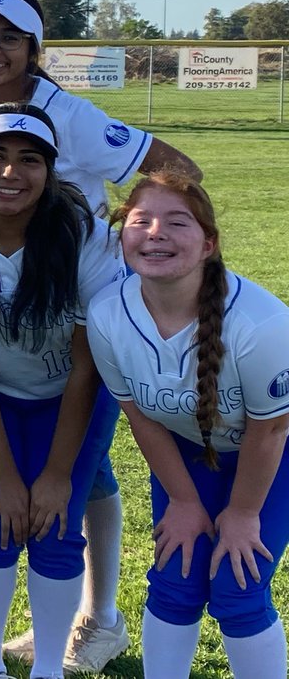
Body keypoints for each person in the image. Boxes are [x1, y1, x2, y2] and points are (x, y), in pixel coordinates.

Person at [0, 0, 200, 673]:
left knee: (64, 497)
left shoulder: (70, 121)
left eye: (9, 36)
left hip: (67, 322)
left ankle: (93, 619)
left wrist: (147, 233)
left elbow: (179, 169)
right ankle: (69, 625)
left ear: (36, 48)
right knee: (24, 505)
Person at [0, 103, 125, 679]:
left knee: (55, 524)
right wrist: (5, 476)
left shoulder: (88, 238)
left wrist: (58, 475)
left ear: (51, 171)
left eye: (29, 160)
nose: (10, 173)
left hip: (73, 390)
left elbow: (87, 369)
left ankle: (48, 669)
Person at [87, 172, 289, 679]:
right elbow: (139, 415)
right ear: (122, 236)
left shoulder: (261, 324)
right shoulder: (108, 314)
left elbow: (270, 431)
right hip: (190, 456)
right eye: (141, 221)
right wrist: (184, 500)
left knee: (239, 586)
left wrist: (242, 515)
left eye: (177, 222)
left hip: (273, 456)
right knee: (175, 578)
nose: (156, 233)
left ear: (208, 245)